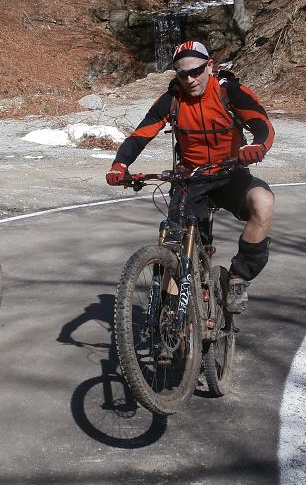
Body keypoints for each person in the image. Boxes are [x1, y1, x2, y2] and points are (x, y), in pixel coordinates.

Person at [105, 41, 275, 315]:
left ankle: (238, 277)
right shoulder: (172, 99)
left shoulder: (230, 92)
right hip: (190, 180)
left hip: (230, 175)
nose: (190, 79)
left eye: (196, 71)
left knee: (263, 202)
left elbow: (262, 124)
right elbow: (139, 136)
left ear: (210, 66)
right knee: (176, 250)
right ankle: (170, 318)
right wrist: (120, 164)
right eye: (182, 74)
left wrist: (257, 146)